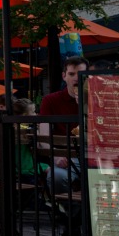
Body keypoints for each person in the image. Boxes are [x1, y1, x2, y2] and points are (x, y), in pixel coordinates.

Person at [39, 56, 87, 189]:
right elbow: (43, 136)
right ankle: (66, 209)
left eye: (81, 73)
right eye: (72, 74)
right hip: (65, 157)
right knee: (56, 177)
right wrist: (55, 156)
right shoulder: (50, 100)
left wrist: (85, 105)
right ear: (64, 76)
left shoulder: (97, 98)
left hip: (93, 156)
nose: (76, 78)